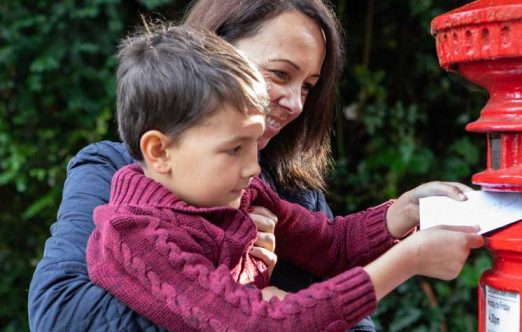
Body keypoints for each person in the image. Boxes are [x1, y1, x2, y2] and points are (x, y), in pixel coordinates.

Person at [27, 0, 484, 330]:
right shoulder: (132, 222)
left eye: (309, 86)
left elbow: (330, 246)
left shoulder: (251, 185)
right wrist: (408, 261)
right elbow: (62, 315)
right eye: (281, 74)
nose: (295, 104)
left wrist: (402, 212)